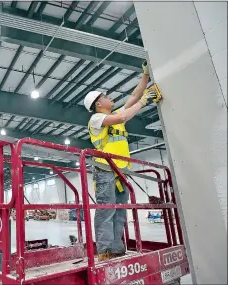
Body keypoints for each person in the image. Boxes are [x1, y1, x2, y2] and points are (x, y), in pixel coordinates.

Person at [83, 61, 158, 262]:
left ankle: (116, 248)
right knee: (106, 210)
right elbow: (124, 116)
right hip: (105, 169)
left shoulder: (114, 113)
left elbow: (133, 97)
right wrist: (145, 101)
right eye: (105, 96)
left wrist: (145, 76)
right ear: (98, 104)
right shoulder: (96, 119)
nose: (110, 97)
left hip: (120, 170)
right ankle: (104, 250)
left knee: (120, 211)